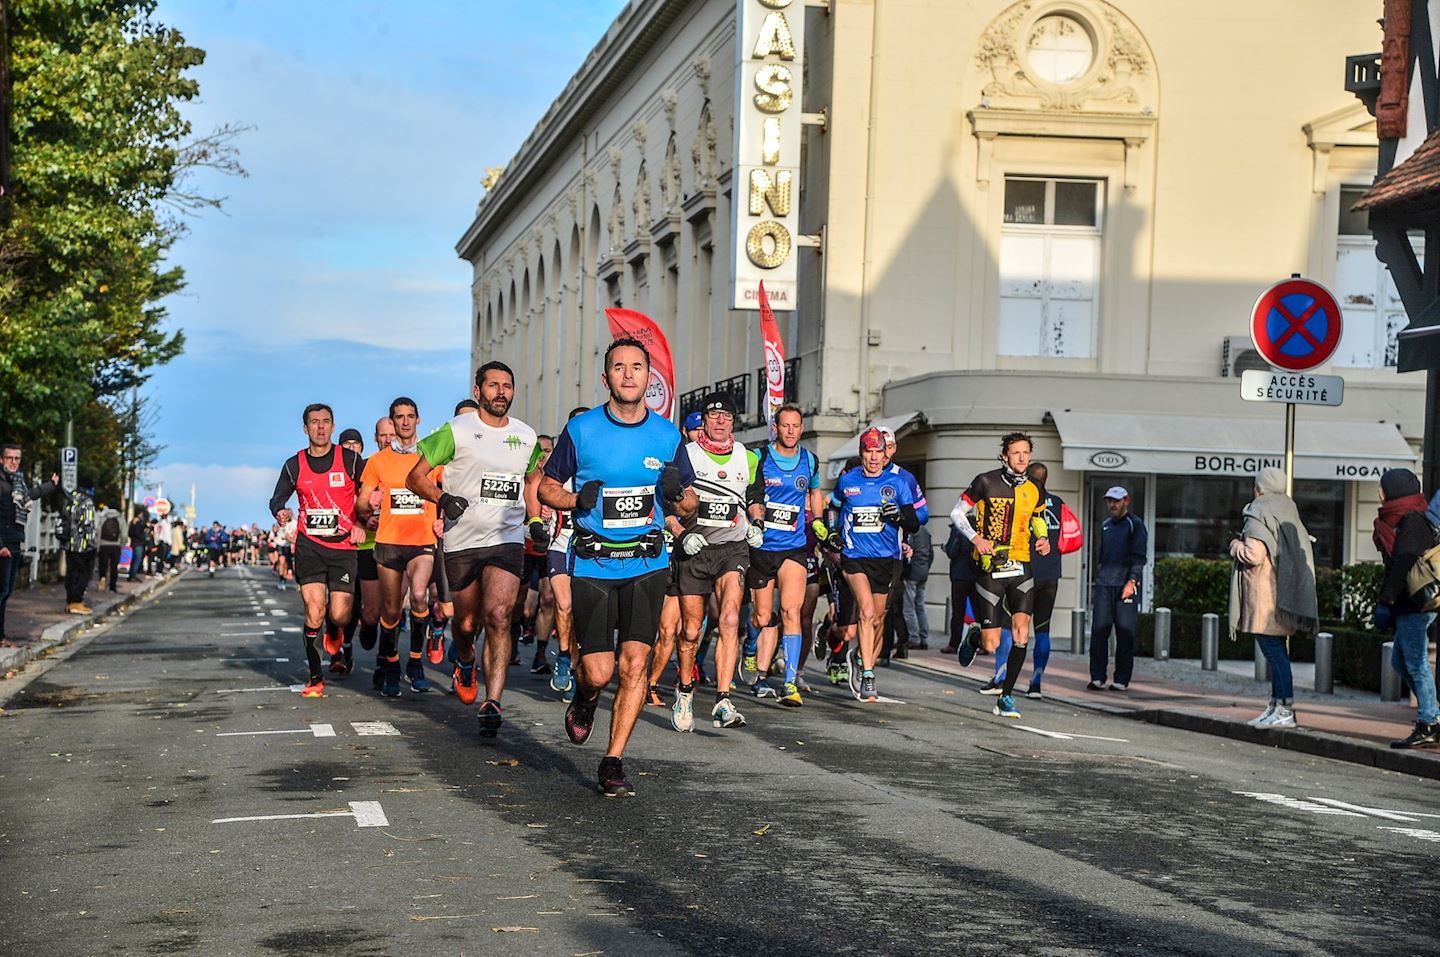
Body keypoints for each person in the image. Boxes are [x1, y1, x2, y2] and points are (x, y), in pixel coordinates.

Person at [539, 338, 697, 797]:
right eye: (619, 367)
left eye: (637, 367)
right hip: (594, 562)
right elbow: (546, 487)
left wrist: (677, 492)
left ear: (650, 378)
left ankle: (613, 761)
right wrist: (574, 499)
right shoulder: (583, 430)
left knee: (635, 665)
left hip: (647, 562)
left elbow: (689, 503)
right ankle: (585, 698)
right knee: (599, 671)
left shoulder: (667, 436)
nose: (628, 375)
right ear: (605, 377)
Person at [407, 361, 544, 739]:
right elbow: (415, 477)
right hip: (463, 540)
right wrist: (443, 497)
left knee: (499, 616)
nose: (501, 392)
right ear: (479, 389)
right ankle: (465, 659)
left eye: (507, 386)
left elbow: (533, 481)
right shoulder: (456, 430)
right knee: (466, 624)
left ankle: (493, 700)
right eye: (493, 385)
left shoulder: (525, 435)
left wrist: (534, 521)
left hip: (507, 539)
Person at [671, 393, 761, 730]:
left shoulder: (748, 457)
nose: (720, 421)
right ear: (704, 421)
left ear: (733, 421)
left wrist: (757, 524)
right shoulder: (687, 457)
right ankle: (685, 691)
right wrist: (681, 534)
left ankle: (723, 699)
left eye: (726, 416)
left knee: (730, 618)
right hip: (694, 550)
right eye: (714, 416)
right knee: (691, 630)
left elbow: (754, 498)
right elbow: (664, 507)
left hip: (732, 549)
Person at [268, 403, 367, 698]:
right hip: (310, 546)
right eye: (314, 422)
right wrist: (281, 512)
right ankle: (315, 678)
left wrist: (362, 520)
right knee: (313, 610)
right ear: (305, 429)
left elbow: (370, 492)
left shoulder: (350, 460)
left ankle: (335, 629)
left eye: (326, 422)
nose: (321, 427)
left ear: (333, 427)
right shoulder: (294, 464)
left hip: (344, 548)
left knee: (338, 614)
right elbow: (276, 499)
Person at [951, 432, 1051, 719]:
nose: (1021, 458)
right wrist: (975, 539)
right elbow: (957, 514)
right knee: (991, 642)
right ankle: (973, 637)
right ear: (1004, 456)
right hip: (990, 565)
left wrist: (1042, 539)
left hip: (1021, 565)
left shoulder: (1035, 489)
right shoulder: (985, 481)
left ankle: (1006, 696)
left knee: (1022, 632)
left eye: (1026, 453)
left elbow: (1038, 518)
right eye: (1016, 452)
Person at [825, 427, 920, 702]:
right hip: (855, 558)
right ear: (861, 453)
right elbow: (831, 508)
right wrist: (832, 533)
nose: (874, 457)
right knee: (865, 613)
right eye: (869, 451)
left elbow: (915, 522)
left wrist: (899, 517)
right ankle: (868, 674)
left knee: (877, 619)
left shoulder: (898, 484)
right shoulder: (848, 481)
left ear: (885, 454)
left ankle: (859, 656)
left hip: (886, 559)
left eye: (879, 451)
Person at [744, 403, 825, 708]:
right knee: (764, 616)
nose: (791, 431)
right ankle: (751, 649)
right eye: (785, 426)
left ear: (801, 428)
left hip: (794, 547)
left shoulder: (810, 461)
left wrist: (817, 519)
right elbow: (746, 486)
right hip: (763, 547)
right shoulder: (760, 457)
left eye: (796, 426)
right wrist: (754, 514)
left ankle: (789, 683)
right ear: (776, 428)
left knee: (792, 612)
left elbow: (815, 491)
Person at [357, 398, 440, 697]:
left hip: (422, 542)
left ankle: (415, 663)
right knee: (391, 611)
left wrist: (443, 519)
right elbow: (362, 500)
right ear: (392, 423)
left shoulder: (432, 455)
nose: (404, 422)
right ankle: (391, 662)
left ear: (418, 419)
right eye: (399, 418)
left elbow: (447, 490)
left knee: (419, 595)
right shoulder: (378, 462)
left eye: (410, 417)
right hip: (389, 542)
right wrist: (368, 509)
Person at [1228, 467, 1318, 729]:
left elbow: (1254, 554)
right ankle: (1276, 705)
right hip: (1286, 593)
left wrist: (1235, 546)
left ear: (1258, 488)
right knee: (1277, 650)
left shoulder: (1259, 510)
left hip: (1265, 595)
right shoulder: (1289, 509)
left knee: (1274, 652)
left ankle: (1285, 708)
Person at [1372, 469, 1440, 749]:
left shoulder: (1412, 520)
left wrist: (1385, 602)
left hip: (1416, 603)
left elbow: (1403, 564)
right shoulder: (1399, 518)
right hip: (1407, 604)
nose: (1379, 492)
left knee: (1415, 662)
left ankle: (1429, 722)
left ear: (1394, 491)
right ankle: (1432, 715)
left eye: (1383, 487)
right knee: (1401, 662)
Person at [544, 406, 591, 702]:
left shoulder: (601, 465)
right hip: (560, 544)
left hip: (590, 548)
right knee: (563, 605)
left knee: (582, 615)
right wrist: (541, 516)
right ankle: (563, 656)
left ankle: (576, 667)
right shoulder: (556, 467)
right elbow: (539, 494)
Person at [1088, 485, 1147, 692]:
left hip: (1125, 586)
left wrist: (1132, 581)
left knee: (1125, 634)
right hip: (1104, 584)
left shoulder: (1135, 525)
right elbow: (1102, 556)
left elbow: (1139, 557)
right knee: (1098, 632)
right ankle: (1097, 677)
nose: (1112, 504)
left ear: (1126, 501)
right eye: (1109, 501)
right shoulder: (1105, 525)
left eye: (1116, 500)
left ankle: (1121, 679)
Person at [0, 445, 58, 639]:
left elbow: (29, 496)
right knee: (2, 591)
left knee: (7, 591)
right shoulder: (1, 483)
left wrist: (50, 485)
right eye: (10, 458)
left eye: (17, 458)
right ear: (1, 460)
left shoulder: (18, 482)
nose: (14, 462)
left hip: (16, 541)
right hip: (4, 544)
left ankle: (1, 636)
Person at [341, 425, 380, 679]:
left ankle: (369, 624)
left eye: (357, 444)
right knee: (344, 603)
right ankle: (343, 647)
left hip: (371, 545)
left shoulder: (369, 469)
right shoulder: (334, 471)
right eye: (347, 445)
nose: (353, 448)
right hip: (343, 546)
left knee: (369, 606)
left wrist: (369, 518)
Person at [59, 481, 97, 614]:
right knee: (84, 573)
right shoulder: (87, 502)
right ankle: (77, 601)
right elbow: (88, 524)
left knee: (71, 573)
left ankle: (70, 602)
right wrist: (92, 544)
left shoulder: (70, 500)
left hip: (68, 543)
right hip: (83, 545)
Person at [901, 521, 932, 651]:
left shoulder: (911, 532)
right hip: (923, 571)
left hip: (912, 572)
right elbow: (931, 553)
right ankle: (924, 638)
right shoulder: (925, 532)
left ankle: (914, 638)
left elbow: (907, 552)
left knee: (909, 608)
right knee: (920, 605)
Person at [94, 500, 124, 592]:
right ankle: (112, 586)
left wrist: (98, 545)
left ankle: (102, 579)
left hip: (103, 544)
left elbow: (98, 532)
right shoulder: (120, 518)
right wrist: (121, 545)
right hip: (116, 545)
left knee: (103, 565)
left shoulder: (103, 517)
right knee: (114, 567)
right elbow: (124, 535)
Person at [126, 509, 148, 582]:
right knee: (137, 559)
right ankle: (133, 574)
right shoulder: (139, 523)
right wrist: (143, 537)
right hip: (139, 543)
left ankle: (131, 574)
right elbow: (138, 533)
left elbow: (130, 533)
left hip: (134, 542)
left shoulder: (132, 522)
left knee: (134, 559)